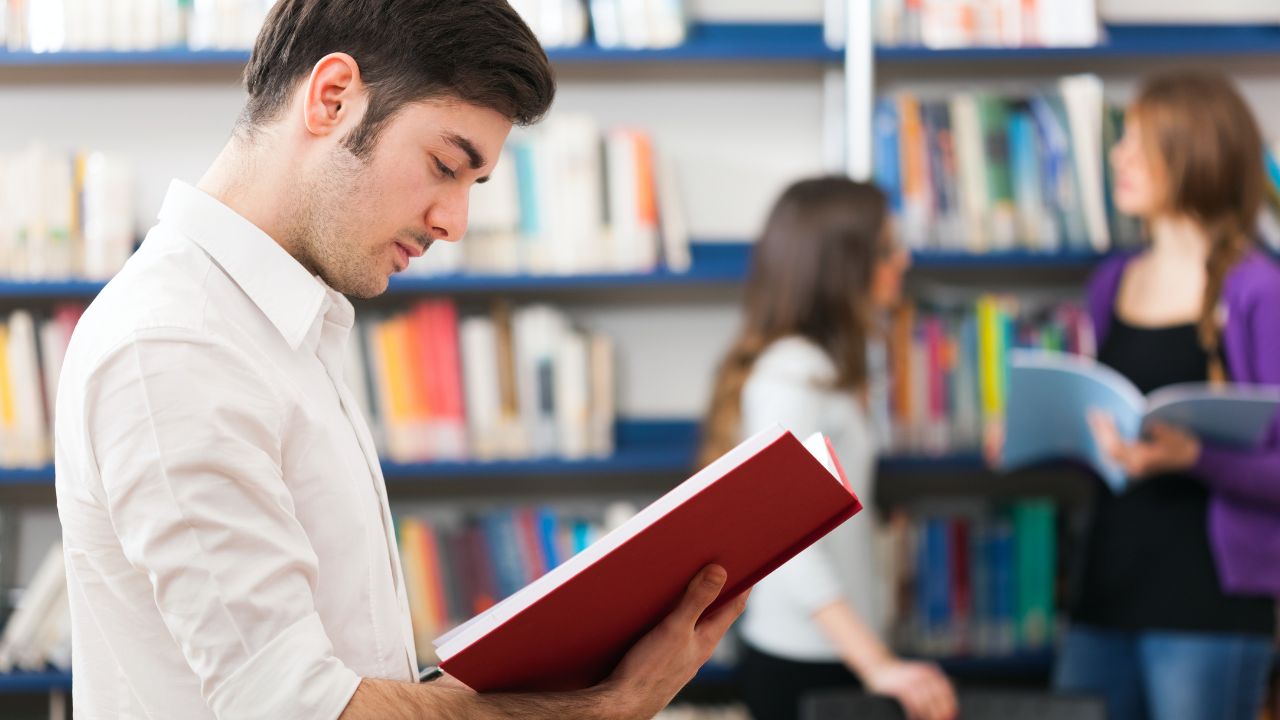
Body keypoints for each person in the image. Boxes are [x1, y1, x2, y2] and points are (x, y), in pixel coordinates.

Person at [53, 2, 747, 718]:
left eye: (470, 186)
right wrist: (598, 710)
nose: (454, 222)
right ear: (332, 98)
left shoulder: (278, 323)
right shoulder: (174, 346)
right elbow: (303, 709)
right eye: (445, 166)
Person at [992, 71, 1280, 720]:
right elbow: (1110, 440)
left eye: (1140, 144)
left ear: (1196, 152)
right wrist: (1037, 432)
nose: (1118, 158)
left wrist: (1193, 457)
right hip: (1107, 587)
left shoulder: (1259, 290)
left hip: (1210, 603)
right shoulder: (1111, 281)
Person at [699, 178, 958, 720]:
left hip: (834, 649)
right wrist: (878, 664)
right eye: (886, 249)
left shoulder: (830, 367)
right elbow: (782, 538)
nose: (903, 260)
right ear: (839, 266)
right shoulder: (793, 373)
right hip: (806, 659)